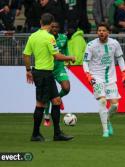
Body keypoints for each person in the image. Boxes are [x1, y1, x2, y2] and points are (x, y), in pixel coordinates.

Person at [23, 13, 75, 141]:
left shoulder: (33, 36)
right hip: (44, 74)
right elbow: (57, 56)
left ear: (41, 22)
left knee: (56, 100)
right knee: (40, 104)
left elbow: (26, 55)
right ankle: (35, 134)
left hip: (42, 73)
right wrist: (70, 57)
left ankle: (57, 133)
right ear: (51, 23)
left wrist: (28, 70)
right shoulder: (49, 37)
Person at [83, 23, 125, 138]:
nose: (101, 32)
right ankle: (105, 130)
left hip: (111, 78)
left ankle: (107, 119)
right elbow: (85, 62)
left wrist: (124, 74)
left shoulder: (114, 43)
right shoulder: (91, 45)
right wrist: (88, 75)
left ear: (108, 32)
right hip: (96, 77)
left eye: (103, 30)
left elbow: (120, 58)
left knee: (115, 106)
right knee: (102, 101)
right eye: (99, 30)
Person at [43, 21, 71, 127]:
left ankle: (58, 97)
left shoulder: (63, 38)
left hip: (59, 68)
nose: (54, 28)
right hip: (48, 68)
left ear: (59, 28)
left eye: (56, 27)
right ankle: (46, 117)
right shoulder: (46, 38)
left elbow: (65, 49)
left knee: (67, 88)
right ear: (50, 28)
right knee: (47, 94)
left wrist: (67, 59)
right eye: (52, 27)